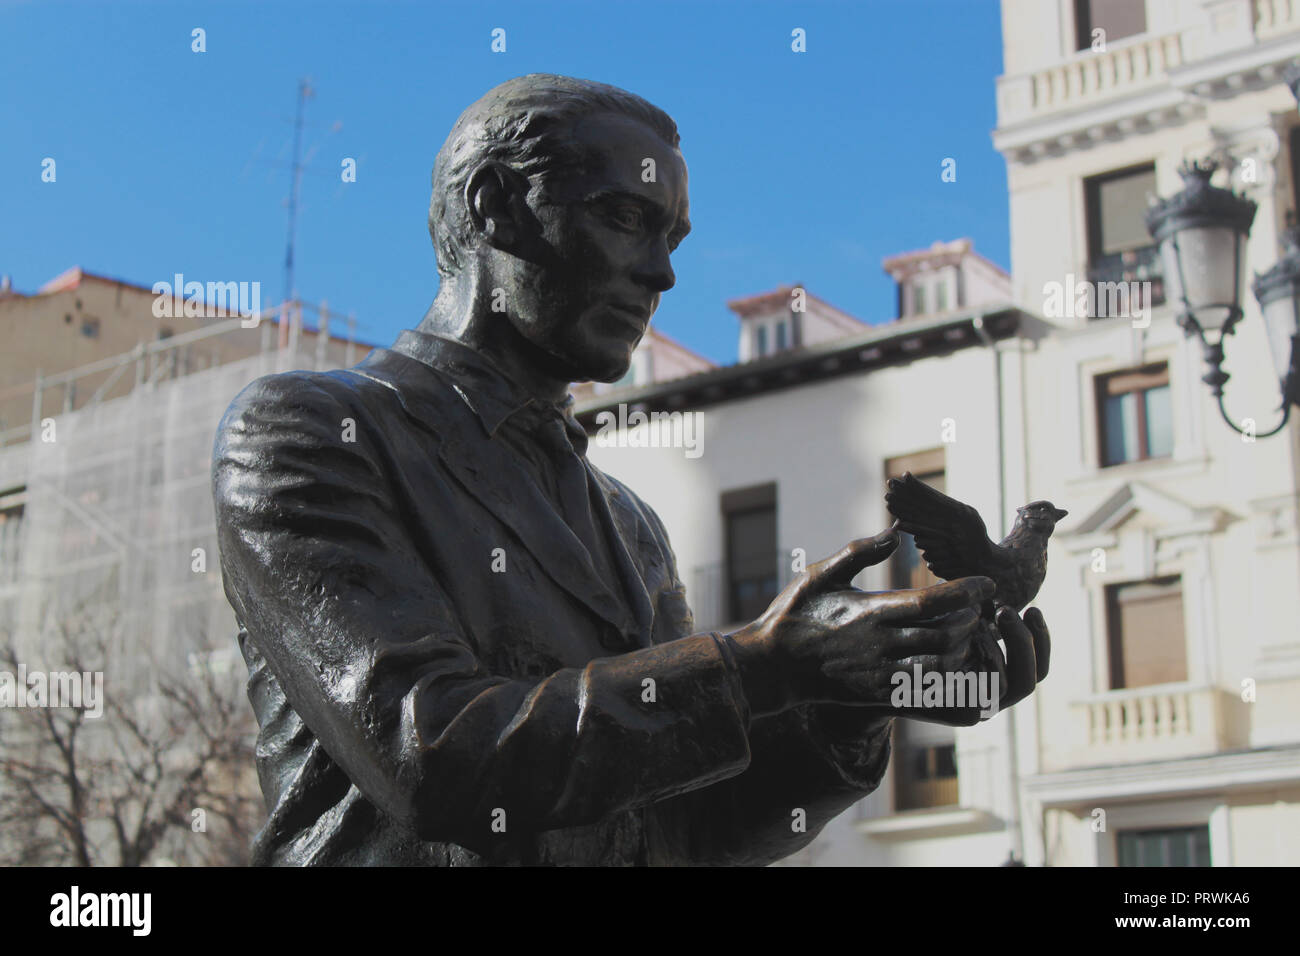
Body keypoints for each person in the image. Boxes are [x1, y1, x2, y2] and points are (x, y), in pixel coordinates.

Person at [212, 74, 1050, 866]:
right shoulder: (313, 431)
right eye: (625, 218)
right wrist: (766, 663)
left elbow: (685, 832)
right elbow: (432, 751)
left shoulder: (628, 524)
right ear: (497, 207)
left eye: (672, 237)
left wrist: (854, 697)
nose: (662, 273)